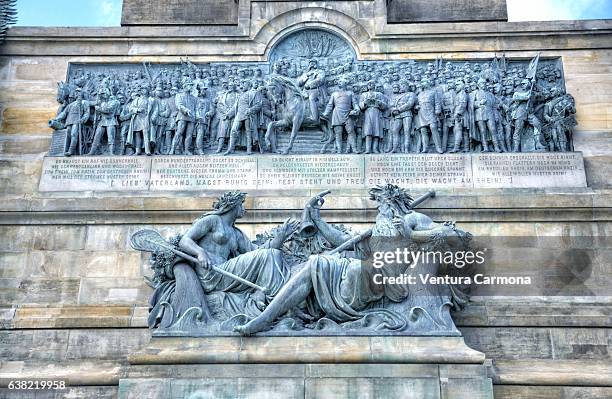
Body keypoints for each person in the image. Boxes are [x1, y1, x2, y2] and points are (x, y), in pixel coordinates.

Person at [234, 185, 470, 336]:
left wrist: (411, 234)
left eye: (383, 205)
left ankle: (267, 317)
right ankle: (264, 319)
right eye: (380, 207)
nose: (381, 210)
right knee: (317, 263)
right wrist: (317, 220)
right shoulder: (380, 228)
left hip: (386, 278)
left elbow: (448, 235)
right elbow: (345, 240)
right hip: (368, 270)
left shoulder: (414, 217)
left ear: (393, 202)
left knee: (352, 268)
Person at [148, 191, 299, 328]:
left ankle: (273, 300)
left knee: (272, 254)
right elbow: (185, 240)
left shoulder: (236, 233)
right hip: (209, 274)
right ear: (233, 205)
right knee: (268, 255)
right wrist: (200, 252)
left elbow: (257, 252)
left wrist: (281, 237)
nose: (244, 209)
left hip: (224, 271)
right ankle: (271, 299)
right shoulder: (212, 220)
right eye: (241, 205)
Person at [321, 77, 361, 154]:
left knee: (351, 131)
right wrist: (325, 113)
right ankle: (339, 149)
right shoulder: (334, 94)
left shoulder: (350, 93)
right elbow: (330, 105)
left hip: (348, 114)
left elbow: (355, 103)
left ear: (345, 84)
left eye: (340, 81)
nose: (339, 83)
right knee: (338, 132)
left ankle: (354, 148)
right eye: (338, 82)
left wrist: (356, 109)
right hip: (337, 114)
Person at [49, 88, 90, 157]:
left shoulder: (84, 102)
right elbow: (64, 113)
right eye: (76, 92)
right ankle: (64, 149)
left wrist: (83, 119)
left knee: (74, 135)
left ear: (82, 93)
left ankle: (71, 151)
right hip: (69, 122)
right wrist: (57, 119)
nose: (77, 94)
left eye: (79, 92)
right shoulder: (71, 105)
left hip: (77, 121)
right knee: (67, 136)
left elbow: (86, 113)